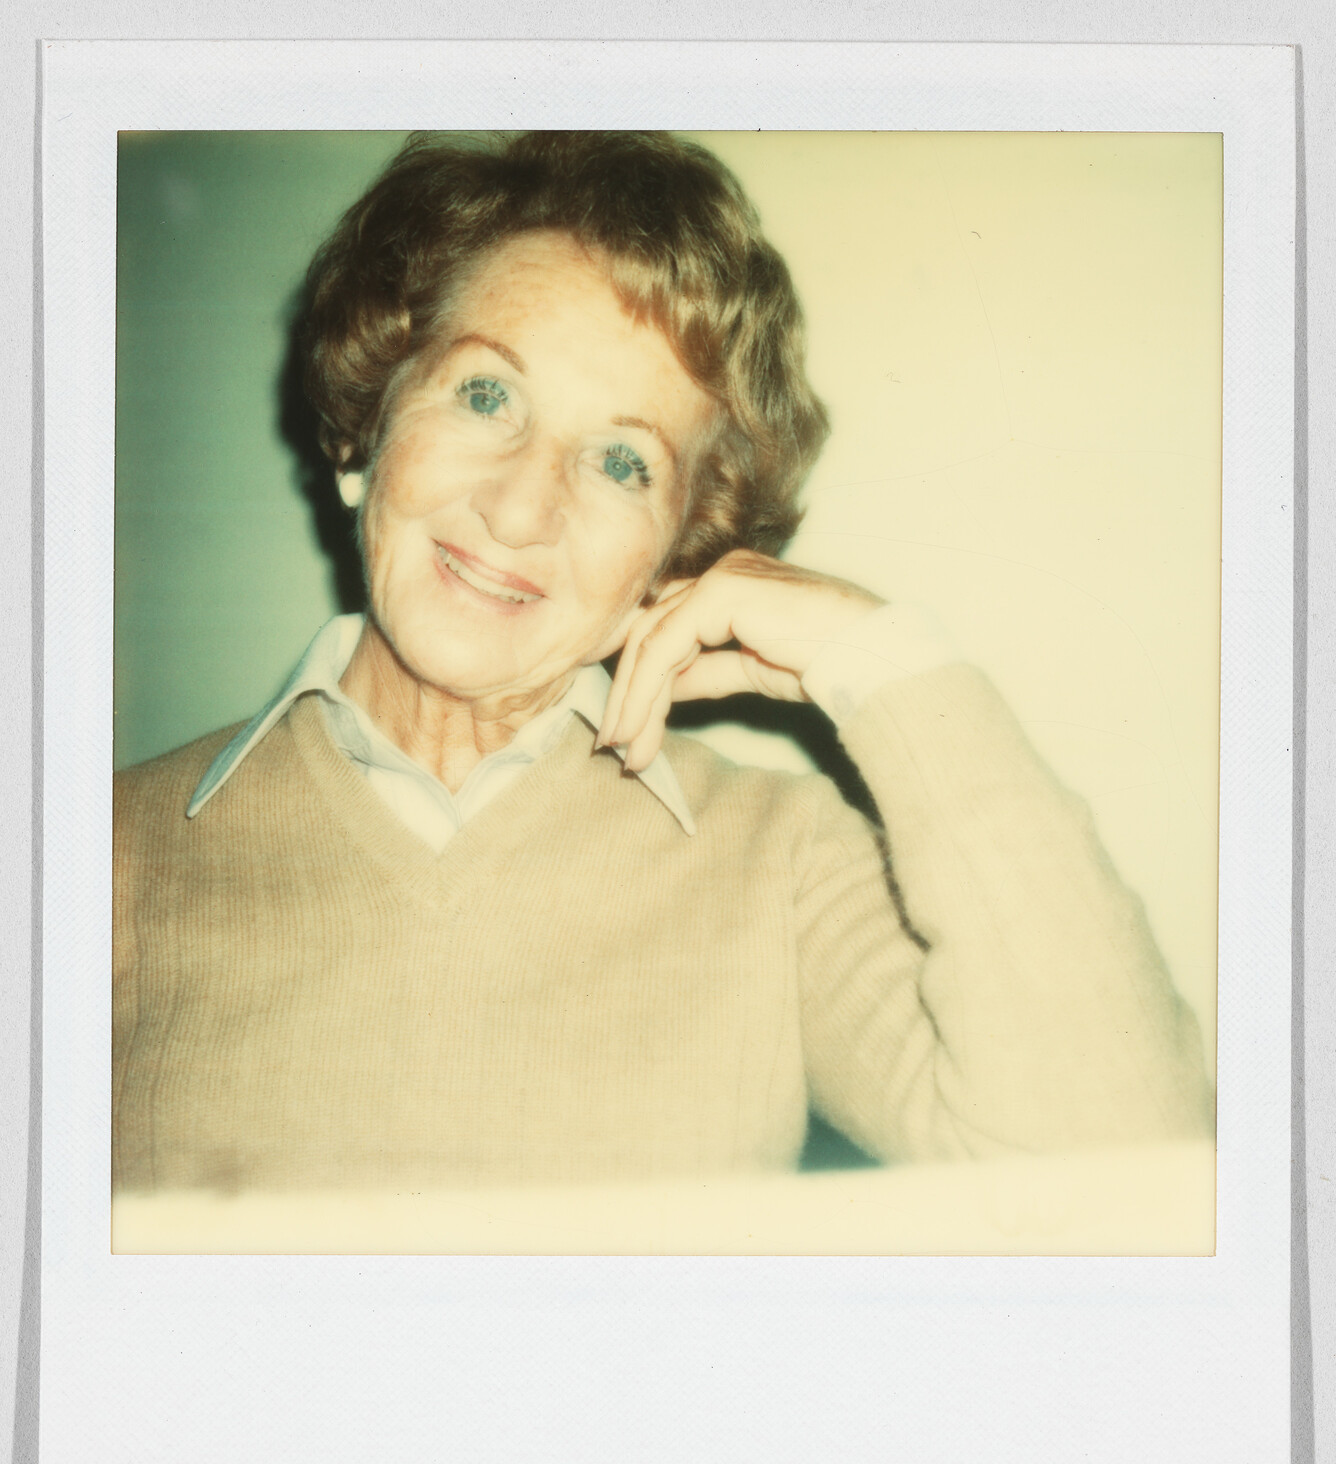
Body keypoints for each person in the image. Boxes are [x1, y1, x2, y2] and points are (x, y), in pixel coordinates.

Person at [112, 130, 1213, 1194]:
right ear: (364, 430)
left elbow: (1127, 1166)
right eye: (487, 393)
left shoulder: (778, 865)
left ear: (674, 556)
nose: (522, 506)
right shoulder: (98, 860)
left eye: (622, 460)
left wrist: (873, 657)